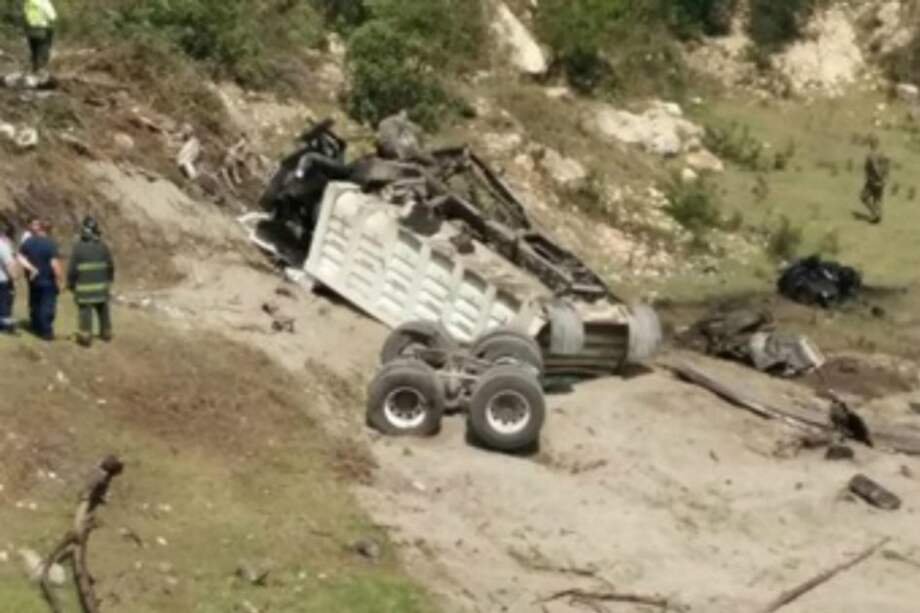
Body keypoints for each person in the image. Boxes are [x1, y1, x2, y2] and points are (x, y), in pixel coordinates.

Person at [67, 216, 115, 347]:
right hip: (101, 288)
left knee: (85, 311)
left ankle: (85, 336)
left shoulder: (78, 248)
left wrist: (70, 284)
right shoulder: (103, 247)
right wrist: (109, 280)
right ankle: (106, 332)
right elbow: (110, 266)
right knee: (103, 309)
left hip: (84, 289)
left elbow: (72, 270)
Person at [18, 218, 62, 340]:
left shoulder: (28, 242)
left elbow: (20, 257)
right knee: (47, 306)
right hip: (47, 280)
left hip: (33, 279)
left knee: (35, 303)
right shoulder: (50, 244)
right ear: (47, 230)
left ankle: (35, 325)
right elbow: (54, 264)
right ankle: (46, 331)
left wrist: (31, 268)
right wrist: (59, 279)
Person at [23, 0, 57, 77]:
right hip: (42, 29)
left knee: (34, 51)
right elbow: (52, 16)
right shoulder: (44, 2)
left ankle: (34, 70)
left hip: (30, 30)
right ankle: (41, 72)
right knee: (42, 50)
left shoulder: (28, 2)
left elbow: (25, 15)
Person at [861, 135, 889, 224]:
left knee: (863, 197)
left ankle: (874, 213)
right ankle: (878, 216)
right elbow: (887, 166)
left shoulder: (870, 155)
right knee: (877, 198)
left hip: (873, 180)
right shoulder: (883, 154)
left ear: (871, 144)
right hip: (881, 181)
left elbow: (872, 167)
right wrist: (885, 178)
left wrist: (875, 176)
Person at [0, 223, 19, 335]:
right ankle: (5, 326)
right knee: (4, 304)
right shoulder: (3, 246)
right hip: (2, 280)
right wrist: (14, 279)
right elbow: (9, 265)